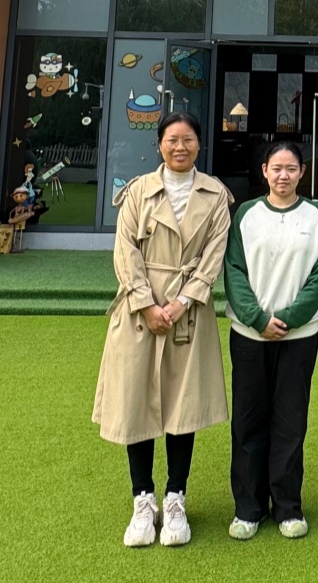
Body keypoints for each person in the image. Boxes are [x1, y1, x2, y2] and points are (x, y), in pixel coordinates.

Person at [94, 111, 232, 549]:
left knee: (182, 404)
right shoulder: (138, 191)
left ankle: (175, 498)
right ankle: (142, 499)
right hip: (139, 313)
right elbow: (125, 252)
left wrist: (181, 302)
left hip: (188, 313)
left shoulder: (215, 196)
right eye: (172, 139)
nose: (180, 147)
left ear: (199, 144)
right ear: (159, 144)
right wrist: (146, 303)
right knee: (135, 402)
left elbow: (213, 257)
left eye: (188, 139)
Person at [223, 142, 318, 541]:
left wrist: (288, 318)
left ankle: (288, 507)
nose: (283, 175)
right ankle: (248, 508)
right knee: (248, 422)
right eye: (276, 168)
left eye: (291, 168)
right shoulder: (246, 214)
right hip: (248, 336)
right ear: (264, 171)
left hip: (298, 337)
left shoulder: (317, 216)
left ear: (302, 172)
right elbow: (233, 269)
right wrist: (257, 318)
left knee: (290, 423)